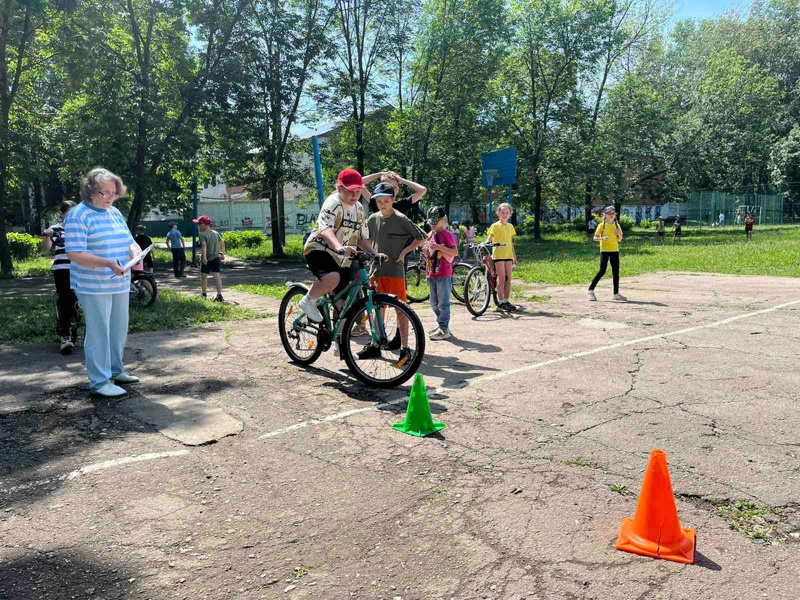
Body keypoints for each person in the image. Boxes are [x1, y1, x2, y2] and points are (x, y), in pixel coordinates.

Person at [65, 168, 141, 397]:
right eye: (104, 193)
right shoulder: (78, 215)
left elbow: (129, 241)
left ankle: (116, 371)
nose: (109, 197)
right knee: (99, 332)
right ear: (89, 191)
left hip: (119, 282)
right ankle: (99, 381)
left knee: (118, 329)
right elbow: (75, 253)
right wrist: (108, 262)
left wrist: (135, 251)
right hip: (92, 286)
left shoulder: (114, 213)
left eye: (114, 193)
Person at [298, 169, 375, 330]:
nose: (354, 196)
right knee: (332, 277)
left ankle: (340, 342)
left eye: (358, 192)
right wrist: (338, 246)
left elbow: (361, 238)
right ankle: (308, 300)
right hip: (320, 249)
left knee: (345, 304)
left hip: (343, 256)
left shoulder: (359, 209)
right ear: (339, 188)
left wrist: (375, 253)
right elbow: (325, 229)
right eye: (349, 191)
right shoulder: (333, 202)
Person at [358, 182, 426, 363]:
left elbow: (422, 237)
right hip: (376, 271)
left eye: (386, 201)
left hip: (395, 271)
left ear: (393, 199)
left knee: (400, 310)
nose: (382, 205)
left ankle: (405, 348)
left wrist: (404, 252)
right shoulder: (372, 218)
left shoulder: (401, 218)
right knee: (377, 310)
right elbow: (361, 238)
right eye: (379, 201)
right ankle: (375, 344)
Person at [43, 201, 78, 354]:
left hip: (80, 269)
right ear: (62, 214)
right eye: (69, 213)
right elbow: (46, 248)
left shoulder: (80, 228)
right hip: (62, 269)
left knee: (81, 299)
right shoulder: (56, 228)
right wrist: (47, 235)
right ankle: (65, 335)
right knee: (65, 299)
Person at [424, 206, 458, 340]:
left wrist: (438, 247)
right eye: (431, 222)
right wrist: (426, 251)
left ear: (443, 220)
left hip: (443, 273)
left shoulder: (447, 234)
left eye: (435, 222)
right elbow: (431, 254)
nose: (432, 225)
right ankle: (441, 325)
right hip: (431, 273)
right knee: (433, 303)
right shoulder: (432, 234)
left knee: (443, 303)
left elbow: (454, 252)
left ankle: (444, 328)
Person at [587, 205, 627, 302]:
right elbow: (594, 238)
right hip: (604, 251)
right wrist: (602, 238)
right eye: (609, 213)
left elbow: (619, 240)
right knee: (602, 271)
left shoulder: (617, 225)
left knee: (616, 272)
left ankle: (616, 293)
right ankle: (590, 290)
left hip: (615, 250)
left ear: (615, 215)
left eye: (613, 213)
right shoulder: (601, 225)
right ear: (604, 215)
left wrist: (620, 235)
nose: (611, 215)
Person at [486, 203, 518, 311]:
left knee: (508, 278)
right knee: (502, 278)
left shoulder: (510, 226)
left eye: (507, 212)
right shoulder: (494, 226)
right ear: (498, 213)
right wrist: (486, 242)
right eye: (502, 212)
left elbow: (511, 243)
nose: (504, 214)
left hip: (508, 255)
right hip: (499, 255)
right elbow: (490, 237)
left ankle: (506, 300)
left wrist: (514, 256)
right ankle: (500, 302)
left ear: (510, 214)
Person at [362, 170, 427, 220]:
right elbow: (358, 182)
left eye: (395, 187)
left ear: (398, 189)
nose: (392, 190)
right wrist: (379, 174)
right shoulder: (376, 201)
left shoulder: (403, 204)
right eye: (388, 186)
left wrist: (402, 180)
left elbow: (422, 190)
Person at [194, 216, 225, 302]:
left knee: (203, 276)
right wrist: (223, 253)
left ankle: (204, 294)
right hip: (216, 257)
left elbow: (204, 245)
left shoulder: (202, 234)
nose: (199, 226)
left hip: (207, 258)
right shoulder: (215, 233)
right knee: (217, 275)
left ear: (204, 224)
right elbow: (222, 242)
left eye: (199, 224)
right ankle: (219, 295)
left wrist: (204, 257)